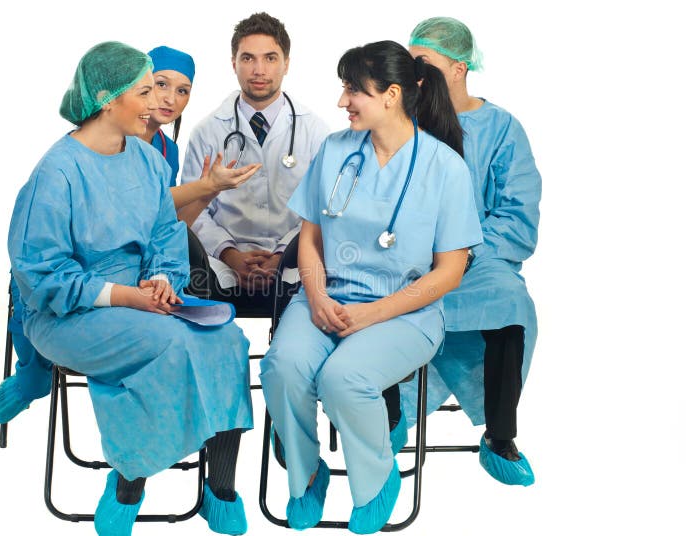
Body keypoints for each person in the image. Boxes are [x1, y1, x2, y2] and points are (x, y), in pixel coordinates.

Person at [5, 41, 253, 536]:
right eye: (145, 91)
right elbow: (41, 276)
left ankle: (219, 487)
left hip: (144, 299)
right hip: (67, 314)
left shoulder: (145, 160)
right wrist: (125, 296)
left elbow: (166, 236)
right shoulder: (56, 174)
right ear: (106, 98)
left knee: (229, 340)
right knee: (170, 344)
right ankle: (129, 480)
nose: (155, 104)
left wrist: (162, 280)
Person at [259, 41, 482, 534]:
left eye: (354, 90)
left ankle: (377, 479)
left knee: (344, 379)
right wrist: (316, 297)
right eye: (344, 89)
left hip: (405, 314)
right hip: (325, 299)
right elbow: (310, 238)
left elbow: (449, 272)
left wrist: (370, 314)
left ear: (392, 95)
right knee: (283, 367)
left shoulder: (445, 167)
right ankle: (306, 475)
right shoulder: (337, 150)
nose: (343, 101)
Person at [405, 16, 542, 486]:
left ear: (459, 68)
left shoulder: (502, 129)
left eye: (424, 64)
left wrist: (465, 254)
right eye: (410, 64)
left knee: (510, 303)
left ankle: (500, 436)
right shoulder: (401, 121)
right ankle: (379, 432)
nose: (414, 75)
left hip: (477, 260)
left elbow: (517, 212)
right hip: (405, 263)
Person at [181, 12, 329, 312]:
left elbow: (321, 211)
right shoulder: (207, 131)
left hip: (294, 263)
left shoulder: (315, 131)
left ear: (287, 63)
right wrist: (230, 254)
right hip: (220, 265)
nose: (259, 70)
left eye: (270, 58)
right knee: (195, 291)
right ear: (233, 63)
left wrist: (281, 255)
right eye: (248, 58)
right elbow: (192, 211)